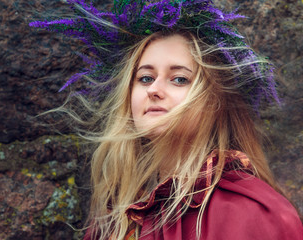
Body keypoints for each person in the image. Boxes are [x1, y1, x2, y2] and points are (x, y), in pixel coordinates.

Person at [30, 0, 303, 239]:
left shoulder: (257, 215)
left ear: (215, 101)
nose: (154, 90)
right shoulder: (114, 220)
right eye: (145, 78)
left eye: (179, 79)